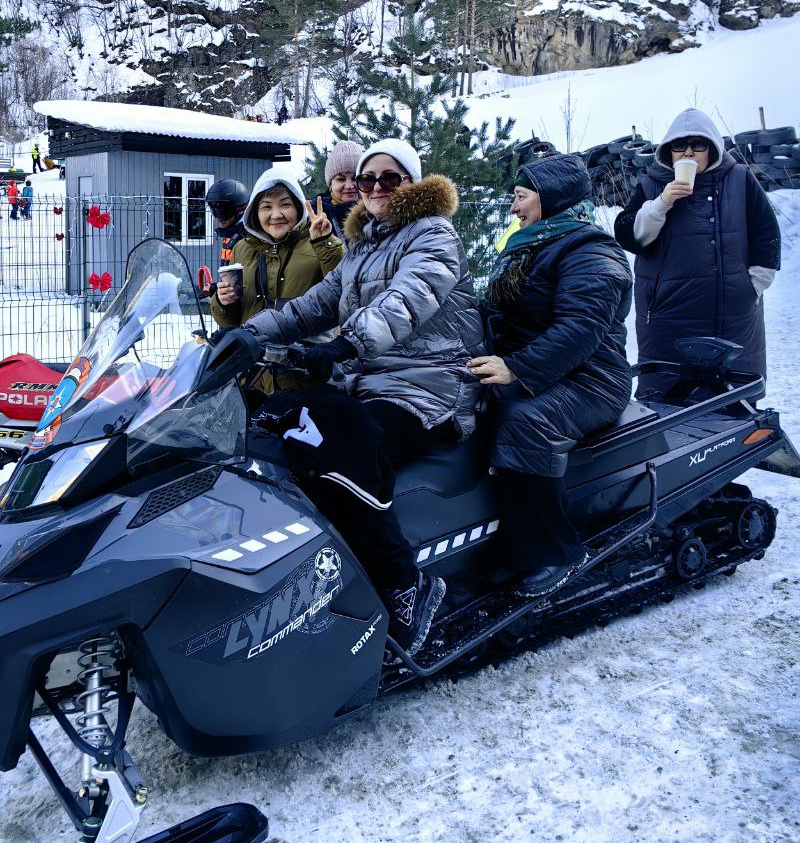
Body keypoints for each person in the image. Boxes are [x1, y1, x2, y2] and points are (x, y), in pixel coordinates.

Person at [240, 139, 484, 656]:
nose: (373, 188)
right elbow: (309, 307)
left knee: (334, 435)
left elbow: (409, 298)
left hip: (429, 388)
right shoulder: (363, 247)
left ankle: (404, 585)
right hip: (369, 382)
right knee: (272, 416)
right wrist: (244, 338)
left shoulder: (434, 236)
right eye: (367, 179)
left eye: (388, 179)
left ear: (411, 184)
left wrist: (349, 343)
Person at [468, 153, 633, 598]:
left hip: (592, 378)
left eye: (521, 197)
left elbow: (580, 329)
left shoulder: (591, 251)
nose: (513, 208)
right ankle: (497, 539)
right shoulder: (532, 242)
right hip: (542, 368)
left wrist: (516, 368)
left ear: (551, 199)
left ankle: (554, 552)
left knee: (524, 422)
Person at [614, 108, 780, 388]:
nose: (688, 153)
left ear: (712, 148)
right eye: (679, 145)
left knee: (733, 409)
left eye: (698, 144)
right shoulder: (653, 184)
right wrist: (661, 203)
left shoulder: (739, 179)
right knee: (668, 407)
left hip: (731, 318)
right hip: (669, 319)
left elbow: (767, 236)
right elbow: (628, 236)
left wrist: (750, 288)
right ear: (669, 151)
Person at [210, 168, 344, 401]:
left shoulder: (318, 241)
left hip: (304, 376)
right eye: (266, 207)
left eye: (285, 205)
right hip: (252, 377)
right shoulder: (242, 248)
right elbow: (231, 321)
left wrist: (325, 244)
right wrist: (223, 302)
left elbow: (344, 291)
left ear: (299, 207)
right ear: (254, 212)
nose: (276, 214)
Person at [315, 139, 361, 235]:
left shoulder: (376, 211)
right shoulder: (315, 216)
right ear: (330, 184)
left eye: (354, 178)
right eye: (341, 179)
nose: (349, 186)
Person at [205, 178, 249, 273]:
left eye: (223, 212)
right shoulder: (230, 233)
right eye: (214, 211)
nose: (218, 218)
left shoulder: (246, 238)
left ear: (240, 210)